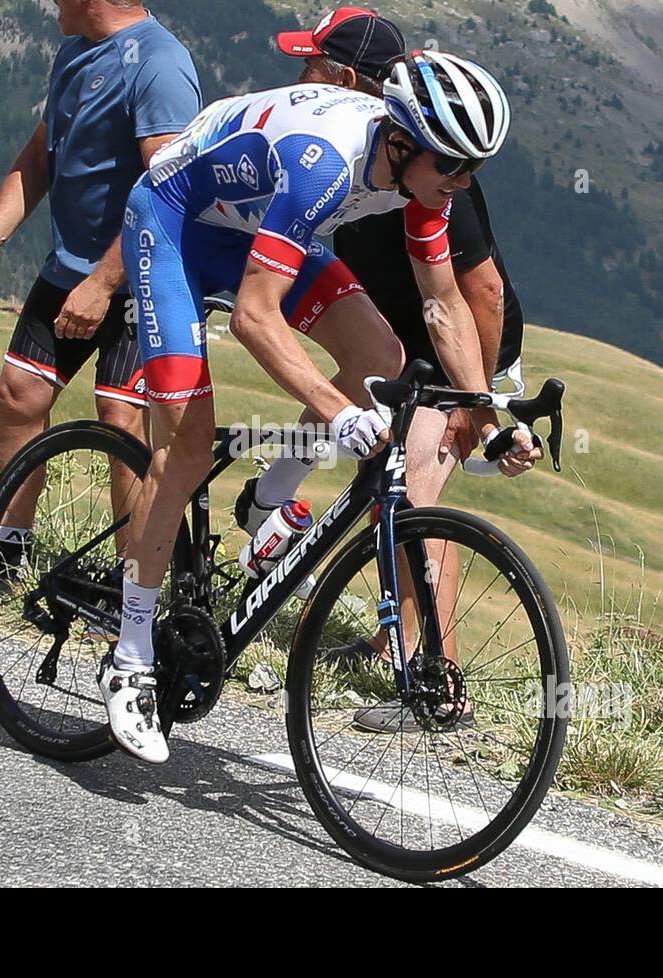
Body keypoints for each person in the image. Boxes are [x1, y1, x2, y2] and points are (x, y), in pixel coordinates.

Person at [103, 49, 522, 762]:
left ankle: (270, 493)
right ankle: (130, 651)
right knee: (189, 445)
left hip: (251, 227)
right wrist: (337, 414)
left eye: (472, 169)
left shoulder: (421, 190)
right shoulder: (324, 165)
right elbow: (255, 320)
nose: (460, 182)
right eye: (450, 165)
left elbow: (443, 304)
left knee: (380, 359)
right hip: (174, 224)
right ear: (401, 144)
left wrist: (488, 418)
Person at [275, 9, 541, 733]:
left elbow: (478, 293)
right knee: (380, 495)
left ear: (344, 77)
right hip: (401, 338)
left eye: (311, 61)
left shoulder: (434, 170)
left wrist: (470, 402)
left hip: (462, 348)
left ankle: (441, 686)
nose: (298, 75)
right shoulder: (343, 149)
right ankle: (391, 640)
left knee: (416, 503)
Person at [0, 0, 201, 613]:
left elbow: (167, 195)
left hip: (143, 275)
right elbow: (40, 155)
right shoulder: (75, 48)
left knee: (121, 421)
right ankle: (7, 553)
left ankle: (134, 589)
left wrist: (103, 286)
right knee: (18, 394)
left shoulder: (160, 67)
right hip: (71, 268)